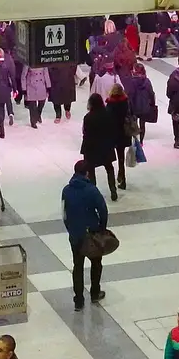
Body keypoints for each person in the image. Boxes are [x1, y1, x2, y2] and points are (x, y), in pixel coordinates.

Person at [62, 161, 107, 309]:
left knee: (78, 266)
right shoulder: (92, 190)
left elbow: (64, 213)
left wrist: (70, 228)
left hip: (75, 235)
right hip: (91, 235)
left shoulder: (66, 190)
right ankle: (95, 293)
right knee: (96, 263)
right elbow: (103, 211)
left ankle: (79, 300)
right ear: (87, 173)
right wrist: (101, 229)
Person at [81, 93, 119, 201]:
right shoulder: (109, 114)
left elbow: (86, 132)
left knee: (91, 170)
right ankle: (113, 190)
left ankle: (93, 192)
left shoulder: (88, 117)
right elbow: (113, 129)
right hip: (106, 146)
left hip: (92, 147)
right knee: (109, 168)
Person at [104, 84, 131, 190]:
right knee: (121, 157)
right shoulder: (126, 102)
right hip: (123, 133)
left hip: (112, 134)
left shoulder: (110, 104)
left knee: (108, 159)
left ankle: (113, 181)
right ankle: (122, 178)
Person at [123, 63, 156, 145]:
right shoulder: (147, 81)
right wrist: (152, 103)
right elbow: (151, 93)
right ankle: (141, 141)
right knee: (142, 124)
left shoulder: (132, 82)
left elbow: (130, 94)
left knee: (134, 123)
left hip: (134, 106)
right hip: (144, 106)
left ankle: (134, 140)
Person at [21, 63, 51, 128]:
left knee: (42, 101)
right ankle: (33, 121)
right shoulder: (28, 62)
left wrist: (48, 86)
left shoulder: (42, 61)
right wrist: (24, 89)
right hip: (31, 86)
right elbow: (23, 76)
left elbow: (46, 74)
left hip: (41, 84)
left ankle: (38, 114)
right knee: (32, 106)